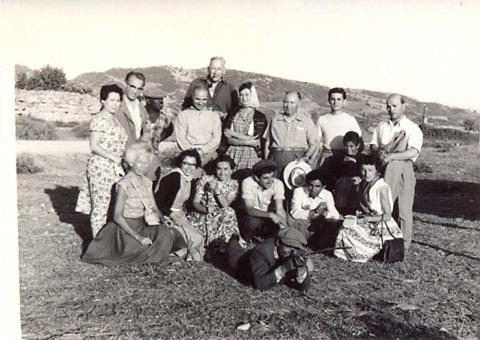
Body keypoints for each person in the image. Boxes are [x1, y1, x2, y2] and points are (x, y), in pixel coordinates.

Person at [81, 143, 184, 265]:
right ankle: (152, 255)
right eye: (139, 163)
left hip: (142, 225)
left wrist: (163, 219)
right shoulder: (123, 184)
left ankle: (153, 254)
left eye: (146, 163)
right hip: (124, 230)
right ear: (131, 162)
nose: (143, 167)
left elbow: (154, 208)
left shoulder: (147, 182)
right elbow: (117, 216)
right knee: (143, 245)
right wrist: (139, 237)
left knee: (168, 232)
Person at [370, 94, 423, 250]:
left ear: (403, 106)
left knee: (403, 208)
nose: (391, 109)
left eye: (394, 106)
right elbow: (373, 144)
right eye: (388, 106)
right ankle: (381, 239)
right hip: (383, 167)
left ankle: (403, 244)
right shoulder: (382, 126)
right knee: (383, 203)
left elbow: (413, 151)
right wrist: (378, 151)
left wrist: (393, 156)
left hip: (403, 168)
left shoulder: (412, 128)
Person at [76, 84, 128, 237]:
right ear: (103, 100)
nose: (115, 104)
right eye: (111, 100)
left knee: (113, 204)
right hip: (101, 167)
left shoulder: (114, 120)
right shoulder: (99, 119)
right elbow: (94, 145)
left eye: (118, 101)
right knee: (101, 206)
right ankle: (97, 246)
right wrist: (113, 157)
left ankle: (108, 242)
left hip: (115, 167)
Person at [334, 155, 403, 262]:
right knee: (345, 228)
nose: (366, 174)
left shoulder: (382, 188)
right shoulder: (365, 183)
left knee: (349, 231)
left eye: (370, 170)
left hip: (381, 225)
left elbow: (387, 216)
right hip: (369, 221)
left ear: (377, 170)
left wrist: (368, 219)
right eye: (363, 170)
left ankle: (365, 251)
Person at [155, 149, 205, 261]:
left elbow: (190, 204)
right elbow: (158, 201)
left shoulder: (190, 180)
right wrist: (170, 214)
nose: (189, 167)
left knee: (197, 236)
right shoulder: (172, 177)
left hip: (180, 214)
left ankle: (188, 256)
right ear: (180, 163)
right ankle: (188, 257)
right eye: (185, 163)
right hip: (165, 214)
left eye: (192, 164)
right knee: (192, 237)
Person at [227, 228, 313, 291]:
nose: (292, 252)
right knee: (231, 243)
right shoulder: (262, 250)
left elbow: (304, 288)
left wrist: (301, 270)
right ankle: (234, 238)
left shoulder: (292, 254)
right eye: (289, 247)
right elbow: (260, 285)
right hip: (240, 262)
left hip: (255, 258)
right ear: (278, 242)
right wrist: (284, 269)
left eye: (296, 249)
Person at [188, 155, 239, 251]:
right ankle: (209, 244)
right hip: (203, 213)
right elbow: (195, 202)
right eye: (219, 169)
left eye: (226, 169)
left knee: (229, 211)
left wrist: (216, 190)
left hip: (221, 215)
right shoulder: (205, 180)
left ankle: (222, 245)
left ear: (231, 170)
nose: (222, 172)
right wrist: (206, 210)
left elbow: (225, 205)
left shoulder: (233, 184)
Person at [263, 91, 318, 177]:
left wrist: (305, 157)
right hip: (275, 160)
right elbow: (267, 142)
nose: (288, 106)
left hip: (296, 161)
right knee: (274, 187)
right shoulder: (274, 120)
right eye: (285, 102)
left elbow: (314, 144)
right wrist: (266, 161)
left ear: (299, 103)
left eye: (292, 103)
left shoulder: (307, 121)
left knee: (294, 188)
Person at [240, 159, 288, 243]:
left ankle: (273, 240)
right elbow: (249, 209)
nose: (270, 181)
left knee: (282, 226)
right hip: (253, 216)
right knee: (251, 222)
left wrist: (283, 226)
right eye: (266, 178)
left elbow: (279, 208)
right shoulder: (247, 182)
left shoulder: (278, 183)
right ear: (256, 178)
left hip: (270, 220)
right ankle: (245, 241)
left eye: (272, 177)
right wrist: (270, 214)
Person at [174, 85, 222, 169]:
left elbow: (217, 138)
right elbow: (181, 138)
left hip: (209, 154)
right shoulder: (183, 115)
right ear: (192, 97)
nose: (200, 103)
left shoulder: (213, 115)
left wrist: (203, 151)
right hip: (189, 156)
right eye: (197, 99)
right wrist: (194, 154)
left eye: (204, 99)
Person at [224, 82, 268, 171]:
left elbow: (257, 141)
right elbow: (228, 138)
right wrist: (248, 142)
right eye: (241, 95)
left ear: (252, 95)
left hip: (252, 155)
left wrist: (234, 134)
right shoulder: (232, 114)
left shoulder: (260, 117)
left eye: (247, 95)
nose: (244, 98)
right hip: (233, 153)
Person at [288, 169, 341, 242]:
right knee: (290, 220)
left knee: (336, 221)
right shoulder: (299, 191)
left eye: (317, 186)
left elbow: (335, 215)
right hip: (302, 224)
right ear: (307, 184)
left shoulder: (327, 194)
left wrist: (324, 213)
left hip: (317, 226)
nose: (313, 189)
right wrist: (312, 212)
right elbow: (295, 212)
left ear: (323, 187)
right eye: (311, 185)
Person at [316, 88, 362, 167]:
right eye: (333, 99)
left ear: (344, 101)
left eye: (338, 99)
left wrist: (353, 159)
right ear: (329, 101)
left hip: (345, 158)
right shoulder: (322, 119)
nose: (335, 102)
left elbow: (360, 143)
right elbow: (316, 142)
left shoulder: (350, 119)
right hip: (327, 157)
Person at [323, 131, 364, 215]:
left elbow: (370, 174)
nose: (348, 149)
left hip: (357, 191)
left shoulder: (363, 159)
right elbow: (329, 174)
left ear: (358, 145)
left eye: (351, 146)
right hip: (340, 191)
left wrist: (361, 178)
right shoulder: (336, 158)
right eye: (346, 146)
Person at [114, 71, 151, 147]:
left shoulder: (142, 107)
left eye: (139, 89)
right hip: (119, 153)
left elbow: (147, 129)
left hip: (136, 153)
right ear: (125, 84)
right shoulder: (115, 104)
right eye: (133, 87)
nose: (135, 91)